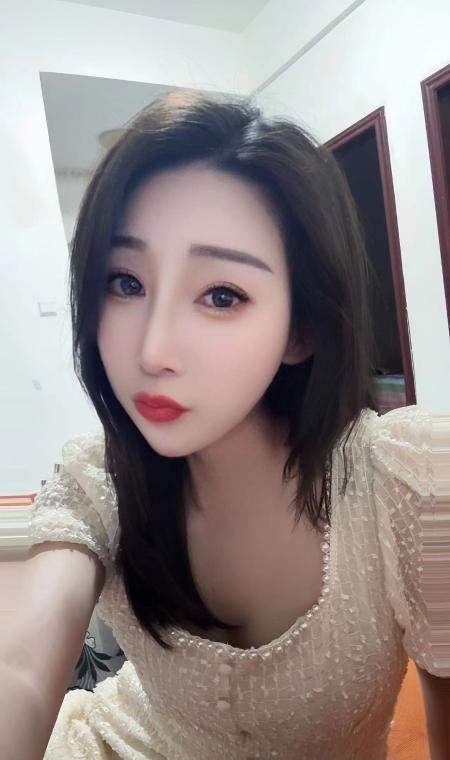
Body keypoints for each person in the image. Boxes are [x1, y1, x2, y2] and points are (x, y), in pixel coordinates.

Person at [5, 89, 450, 759]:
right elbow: (18, 669)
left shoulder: (411, 484)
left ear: (300, 328)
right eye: (125, 282)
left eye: (221, 295)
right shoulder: (97, 483)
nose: (153, 351)